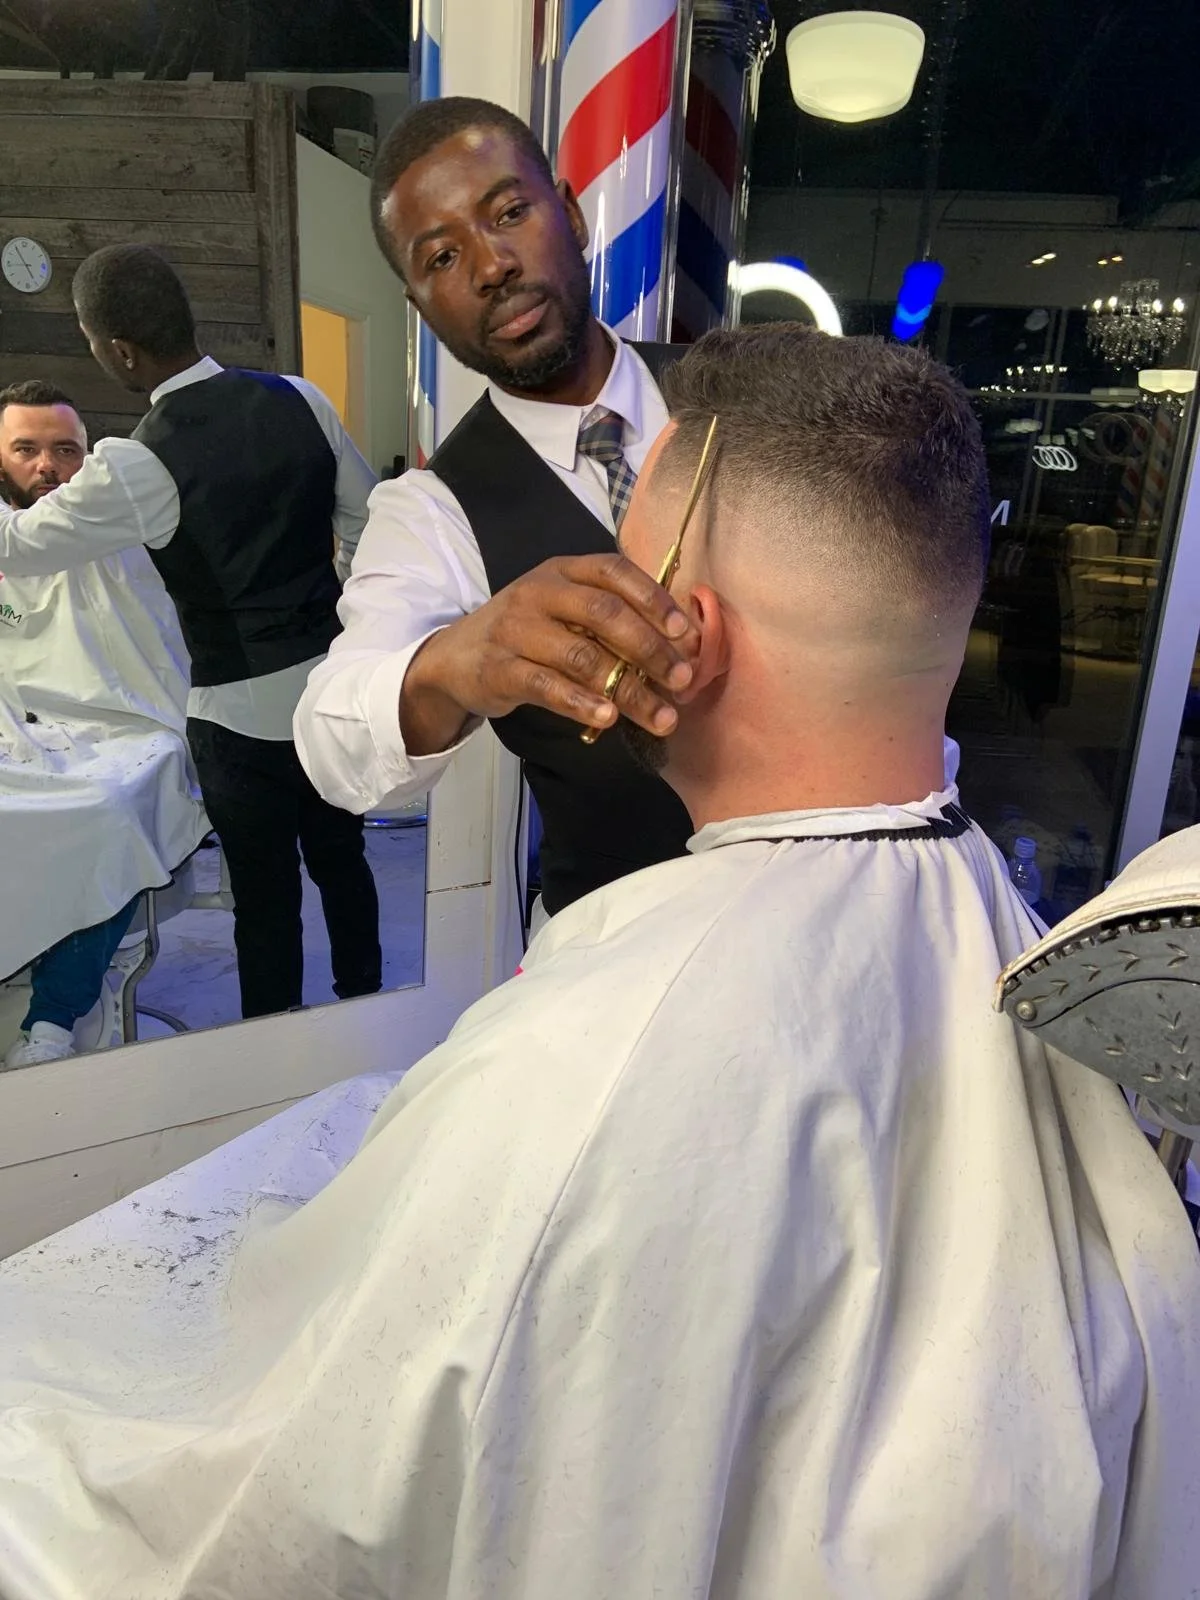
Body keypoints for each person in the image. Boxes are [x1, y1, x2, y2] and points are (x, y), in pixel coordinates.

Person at [0, 325, 1197, 1599]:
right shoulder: (998, 917)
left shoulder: (596, 1069)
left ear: (686, 631)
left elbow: (307, 1500)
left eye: (631, 562)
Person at [295, 96, 699, 918]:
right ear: (418, 307)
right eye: (441, 259)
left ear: (573, 215)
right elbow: (331, 741)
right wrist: (453, 664)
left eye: (510, 213)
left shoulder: (742, 392)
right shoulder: (433, 510)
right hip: (614, 945)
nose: (490, 267)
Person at [0, 247, 383, 1019]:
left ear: (118, 350)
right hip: (329, 687)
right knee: (344, 859)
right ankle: (365, 1006)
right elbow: (366, 519)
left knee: (266, 898)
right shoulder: (301, 398)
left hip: (236, 713)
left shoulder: (134, 463)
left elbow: (17, 548)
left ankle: (273, 1045)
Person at [0, 380, 204, 1066]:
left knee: (109, 811)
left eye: (65, 450)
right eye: (25, 449)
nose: (47, 466)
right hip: (17, 728)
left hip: (125, 726)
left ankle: (52, 1021)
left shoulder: (128, 529)